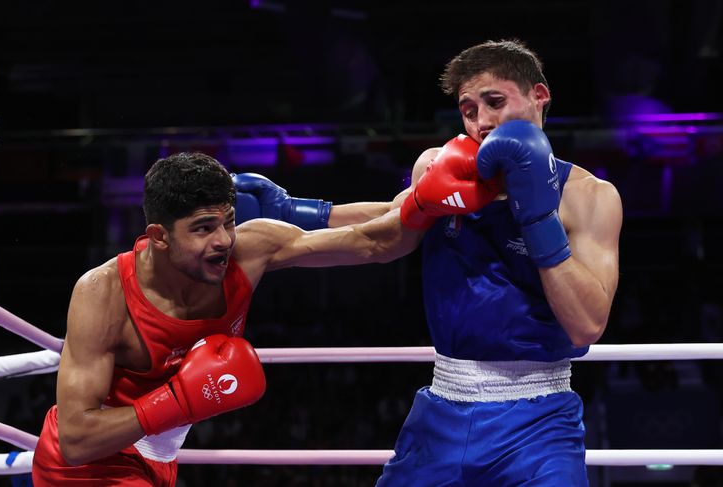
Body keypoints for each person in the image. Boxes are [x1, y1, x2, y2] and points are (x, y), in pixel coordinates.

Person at [236, 39, 622, 486]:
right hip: (443, 412)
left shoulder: (591, 197)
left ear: (539, 96)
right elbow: (387, 227)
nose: (481, 122)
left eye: (495, 102)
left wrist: (535, 215)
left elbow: (586, 325)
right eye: (468, 109)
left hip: (540, 423)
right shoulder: (443, 169)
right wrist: (292, 212)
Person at [32, 150, 481, 485]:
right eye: (204, 229)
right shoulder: (103, 293)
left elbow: (374, 240)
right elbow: (76, 439)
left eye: (228, 221)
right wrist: (180, 400)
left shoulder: (253, 247)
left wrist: (428, 194)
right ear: (159, 237)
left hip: (157, 461)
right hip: (86, 469)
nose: (224, 240)